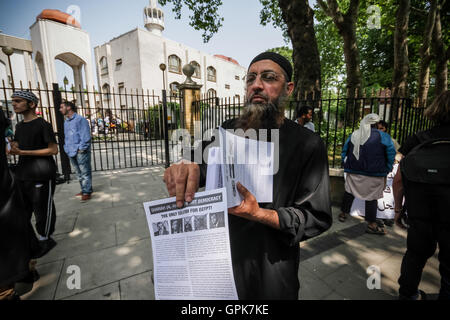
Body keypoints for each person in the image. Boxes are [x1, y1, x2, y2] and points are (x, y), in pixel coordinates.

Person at [163, 51, 332, 299]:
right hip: (220, 265)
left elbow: (315, 217)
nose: (256, 85)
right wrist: (184, 166)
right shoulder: (226, 131)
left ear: (289, 88)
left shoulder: (308, 144)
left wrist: (260, 214)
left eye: (269, 77)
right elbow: (197, 164)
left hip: (271, 272)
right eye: (251, 78)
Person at [393, 91, 450, 300]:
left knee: (414, 257)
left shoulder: (417, 139)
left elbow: (398, 179)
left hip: (420, 214)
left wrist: (398, 210)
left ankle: (407, 295)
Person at [8, 91, 58, 256]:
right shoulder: (19, 126)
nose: (14, 104)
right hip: (23, 175)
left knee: (42, 208)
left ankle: (46, 239)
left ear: (31, 104)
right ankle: (31, 241)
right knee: (25, 209)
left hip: (41, 173)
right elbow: (18, 144)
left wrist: (24, 153)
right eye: (13, 101)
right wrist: (13, 146)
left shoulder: (43, 124)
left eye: (18, 101)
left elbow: (53, 149)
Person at [338, 113, 396, 235]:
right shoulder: (383, 136)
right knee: (372, 198)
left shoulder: (354, 134)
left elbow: (345, 151)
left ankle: (343, 214)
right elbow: (391, 153)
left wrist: (347, 163)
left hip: (354, 171)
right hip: (375, 173)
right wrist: (388, 167)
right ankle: (371, 224)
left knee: (349, 193)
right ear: (376, 123)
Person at [59, 101, 93, 201]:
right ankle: (84, 189)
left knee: (85, 172)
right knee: (78, 172)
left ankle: (87, 192)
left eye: (62, 107)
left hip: (80, 151)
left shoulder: (80, 119)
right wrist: (66, 147)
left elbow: (86, 136)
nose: (60, 109)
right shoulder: (66, 121)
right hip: (70, 150)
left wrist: (81, 149)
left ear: (69, 107)